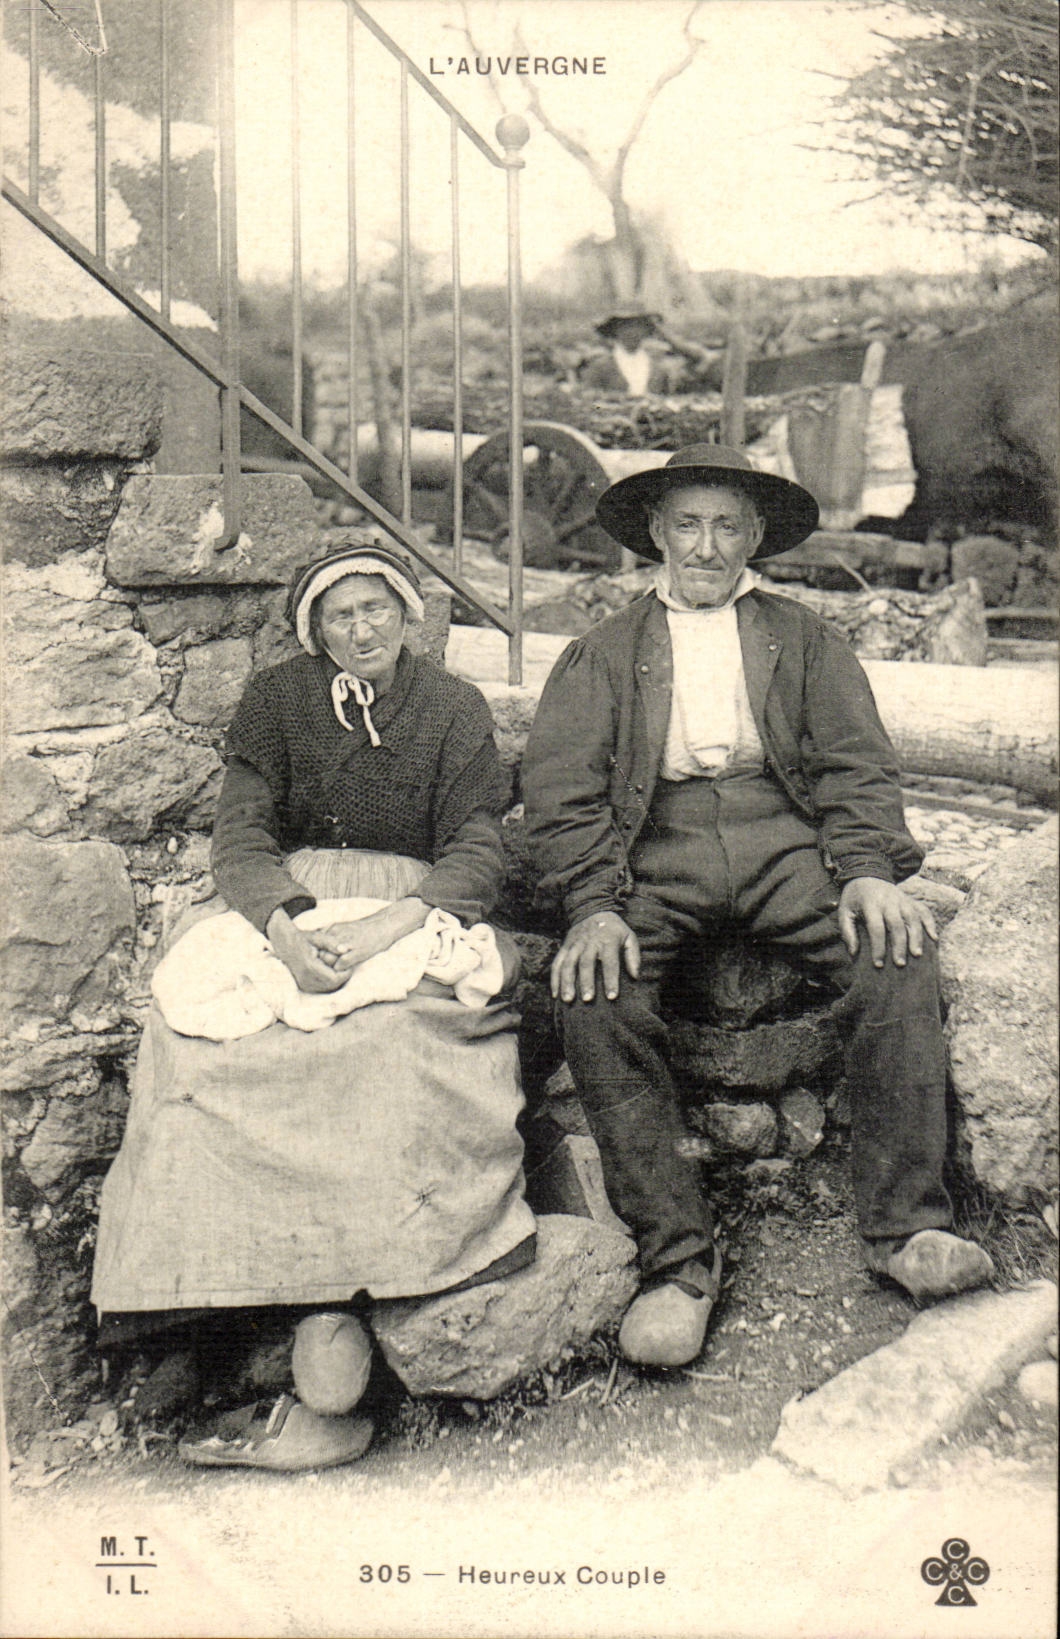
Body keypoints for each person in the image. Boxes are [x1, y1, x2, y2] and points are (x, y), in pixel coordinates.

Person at [522, 445, 994, 1370]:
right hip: (653, 848)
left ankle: (906, 1228)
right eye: (687, 524)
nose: (706, 545)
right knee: (592, 990)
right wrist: (592, 902)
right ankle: (678, 1262)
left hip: (784, 839)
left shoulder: (804, 638)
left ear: (755, 540)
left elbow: (857, 764)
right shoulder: (602, 652)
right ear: (656, 533)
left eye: (727, 526)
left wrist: (864, 868)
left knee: (896, 949)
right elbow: (563, 793)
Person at [91, 541, 535, 1469]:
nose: (361, 628)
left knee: (400, 1044)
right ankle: (191, 1318)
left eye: (377, 609)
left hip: (411, 908)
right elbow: (241, 836)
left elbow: (478, 851)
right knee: (200, 1046)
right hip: (290, 909)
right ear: (315, 629)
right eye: (342, 615)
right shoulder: (277, 700)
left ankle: (355, 1305)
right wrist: (286, 930)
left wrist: (387, 929)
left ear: (408, 617)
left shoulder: (452, 708)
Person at [580, 303, 719, 397]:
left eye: (638, 327)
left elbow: (698, 360)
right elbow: (590, 401)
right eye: (626, 327)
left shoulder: (658, 367)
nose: (632, 333)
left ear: (646, 331)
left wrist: (667, 337)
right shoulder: (600, 366)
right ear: (615, 331)